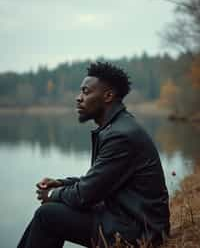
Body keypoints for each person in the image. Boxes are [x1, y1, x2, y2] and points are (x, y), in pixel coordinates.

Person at [17, 62, 170, 248]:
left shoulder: (121, 135)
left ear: (108, 96)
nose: (78, 98)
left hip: (139, 232)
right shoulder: (117, 127)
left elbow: (85, 196)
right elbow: (98, 182)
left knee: (47, 215)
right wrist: (61, 184)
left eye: (86, 92)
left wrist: (52, 193)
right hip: (126, 219)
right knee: (50, 213)